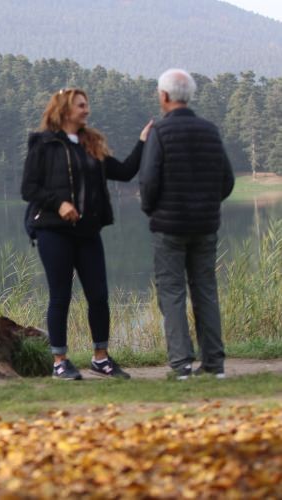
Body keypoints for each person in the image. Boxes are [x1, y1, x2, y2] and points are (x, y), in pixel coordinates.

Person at [21, 88, 152, 380]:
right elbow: (29, 189)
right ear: (65, 110)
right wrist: (59, 204)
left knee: (99, 296)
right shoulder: (43, 145)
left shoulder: (90, 144)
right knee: (60, 297)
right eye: (81, 106)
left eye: (87, 105)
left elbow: (125, 171)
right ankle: (59, 361)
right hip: (53, 232)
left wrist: (143, 141)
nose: (86, 110)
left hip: (88, 232)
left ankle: (100, 358)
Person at [139, 69, 234, 380]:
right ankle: (215, 365)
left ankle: (181, 365)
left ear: (164, 96)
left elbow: (149, 181)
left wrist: (150, 208)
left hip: (169, 227)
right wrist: (207, 204)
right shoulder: (210, 131)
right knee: (206, 290)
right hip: (205, 225)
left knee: (172, 292)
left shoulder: (160, 133)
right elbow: (227, 181)